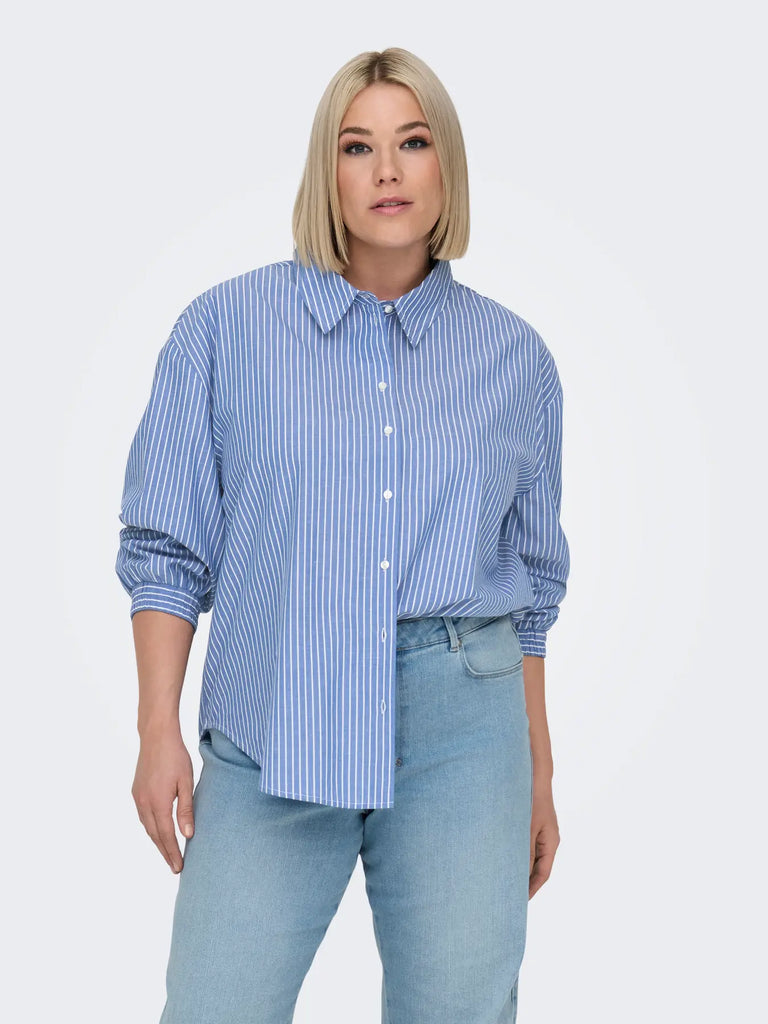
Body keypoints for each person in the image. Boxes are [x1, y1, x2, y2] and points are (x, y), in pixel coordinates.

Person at [115, 46, 570, 1024]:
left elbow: (532, 588)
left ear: (447, 164)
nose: (388, 171)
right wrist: (157, 729)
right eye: (357, 147)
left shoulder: (515, 359)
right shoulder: (224, 331)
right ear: (326, 171)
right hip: (278, 707)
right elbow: (166, 550)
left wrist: (537, 768)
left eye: (414, 142)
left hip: (464, 725)